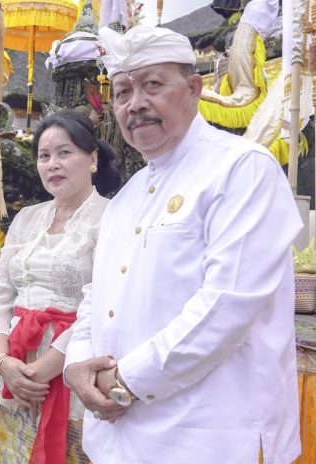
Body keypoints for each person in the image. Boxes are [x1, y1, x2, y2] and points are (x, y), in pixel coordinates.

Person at [63, 25, 302, 463]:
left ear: (194, 88)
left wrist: (124, 381)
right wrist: (77, 362)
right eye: (121, 92)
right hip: (118, 439)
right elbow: (97, 295)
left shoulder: (241, 169)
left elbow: (227, 305)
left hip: (210, 437)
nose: (135, 104)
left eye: (152, 84)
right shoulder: (127, 197)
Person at [0, 110, 120, 463]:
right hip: (16, 368)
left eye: (65, 152)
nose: (52, 164)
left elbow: (106, 302)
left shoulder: (113, 217)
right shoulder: (26, 218)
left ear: (93, 158)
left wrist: (43, 370)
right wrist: (4, 362)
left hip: (74, 370)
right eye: (44, 155)